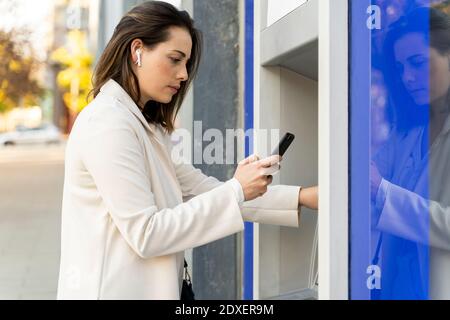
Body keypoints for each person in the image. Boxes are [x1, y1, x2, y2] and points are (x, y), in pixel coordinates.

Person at [57, 1, 318, 300]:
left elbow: (208, 192)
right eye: (175, 59)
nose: (183, 75)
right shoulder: (108, 124)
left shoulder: (144, 126)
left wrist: (304, 197)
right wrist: (237, 188)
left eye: (186, 63)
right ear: (137, 50)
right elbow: (146, 233)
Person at [371, 6, 450, 299]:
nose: (407, 77)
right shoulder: (407, 134)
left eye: (417, 63)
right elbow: (359, 183)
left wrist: (383, 191)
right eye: (401, 67)